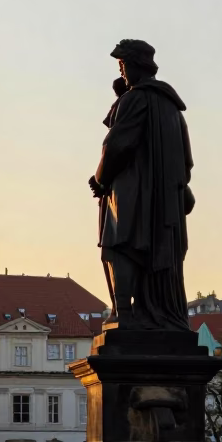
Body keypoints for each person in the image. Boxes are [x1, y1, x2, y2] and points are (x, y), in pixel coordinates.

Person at [88, 39, 195, 331]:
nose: (121, 72)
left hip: (131, 190)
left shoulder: (136, 99)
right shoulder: (172, 108)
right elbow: (186, 160)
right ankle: (155, 309)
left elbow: (116, 145)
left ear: (136, 65)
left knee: (119, 245)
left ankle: (123, 312)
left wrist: (100, 178)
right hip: (165, 198)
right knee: (152, 252)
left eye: (122, 65)